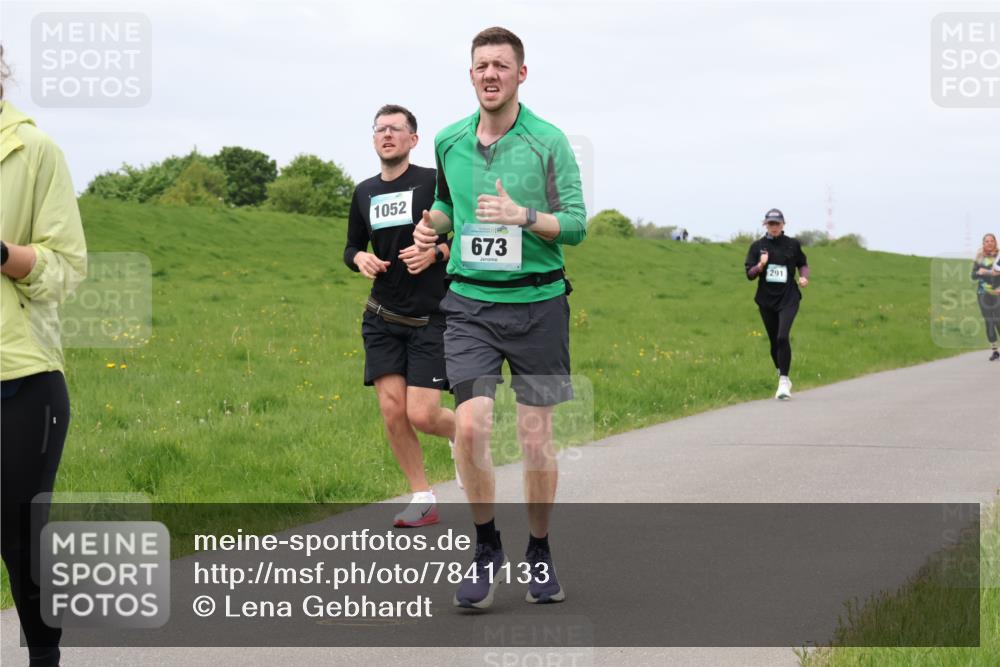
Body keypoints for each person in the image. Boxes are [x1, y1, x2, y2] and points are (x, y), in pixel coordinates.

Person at [413, 26, 587, 608]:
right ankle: (486, 546)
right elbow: (445, 202)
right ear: (471, 75)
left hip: (538, 304)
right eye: (481, 65)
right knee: (470, 426)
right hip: (469, 304)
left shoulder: (549, 142)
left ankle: (539, 551)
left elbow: (579, 224)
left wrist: (523, 215)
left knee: (537, 439)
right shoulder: (448, 140)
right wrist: (431, 226)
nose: (490, 74)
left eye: (501, 66)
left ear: (521, 74)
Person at [1, 45, 88, 667]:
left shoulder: (34, 152)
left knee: (21, 540)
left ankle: (44, 658)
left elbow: (65, 270)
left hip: (20, 378)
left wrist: (3, 252)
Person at [344, 104, 457, 527]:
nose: (387, 134)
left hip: (431, 318)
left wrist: (436, 252)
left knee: (423, 415)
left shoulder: (432, 182)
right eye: (380, 129)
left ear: (413, 139)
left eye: (396, 129)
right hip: (382, 316)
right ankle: (423, 497)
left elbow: (463, 233)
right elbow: (351, 246)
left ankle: (461, 436)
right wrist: (360, 260)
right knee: (393, 411)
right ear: (374, 140)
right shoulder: (364, 192)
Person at [744, 208, 809, 399]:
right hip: (766, 300)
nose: (774, 227)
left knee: (782, 337)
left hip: (788, 298)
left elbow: (803, 264)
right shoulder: (757, 247)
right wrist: (761, 265)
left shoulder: (792, 245)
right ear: (765, 225)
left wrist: (804, 277)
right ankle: (782, 373)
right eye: (770, 224)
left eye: (777, 224)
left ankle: (783, 381)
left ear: (783, 224)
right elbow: (749, 275)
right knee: (774, 341)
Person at [971, 233, 999, 361]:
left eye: (991, 240)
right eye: (987, 241)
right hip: (982, 293)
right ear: (983, 243)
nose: (989, 243)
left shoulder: (999, 256)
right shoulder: (979, 258)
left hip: (997, 292)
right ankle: (995, 350)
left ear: (995, 242)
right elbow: (973, 276)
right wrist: (978, 272)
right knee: (989, 321)